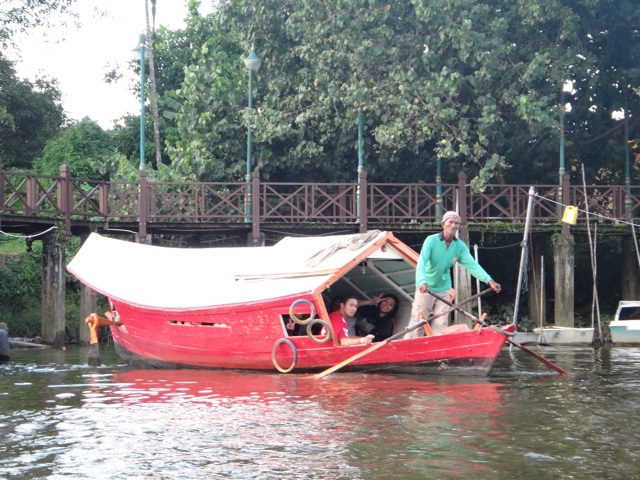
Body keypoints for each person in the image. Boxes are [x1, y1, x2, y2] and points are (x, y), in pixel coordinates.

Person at [409, 211, 501, 336]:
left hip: (443, 287)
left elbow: (472, 265)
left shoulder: (459, 246)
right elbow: (421, 262)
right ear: (443, 224)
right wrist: (422, 281)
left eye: (456, 223)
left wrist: (489, 280)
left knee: (440, 323)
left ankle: (438, 351)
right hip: (426, 287)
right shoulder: (431, 241)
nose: (453, 225)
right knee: (419, 322)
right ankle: (412, 347)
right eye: (450, 222)